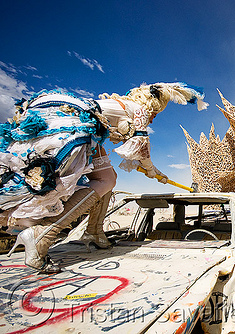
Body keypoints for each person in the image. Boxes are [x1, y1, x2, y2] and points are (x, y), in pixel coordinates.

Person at [2, 82, 208, 273]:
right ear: (151, 104)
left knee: (109, 179)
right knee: (107, 180)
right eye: (156, 113)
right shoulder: (140, 110)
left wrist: (151, 169)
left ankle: (94, 231)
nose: (153, 118)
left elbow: (134, 152)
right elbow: (142, 150)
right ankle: (41, 235)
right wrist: (155, 172)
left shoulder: (123, 105)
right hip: (77, 129)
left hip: (83, 131)